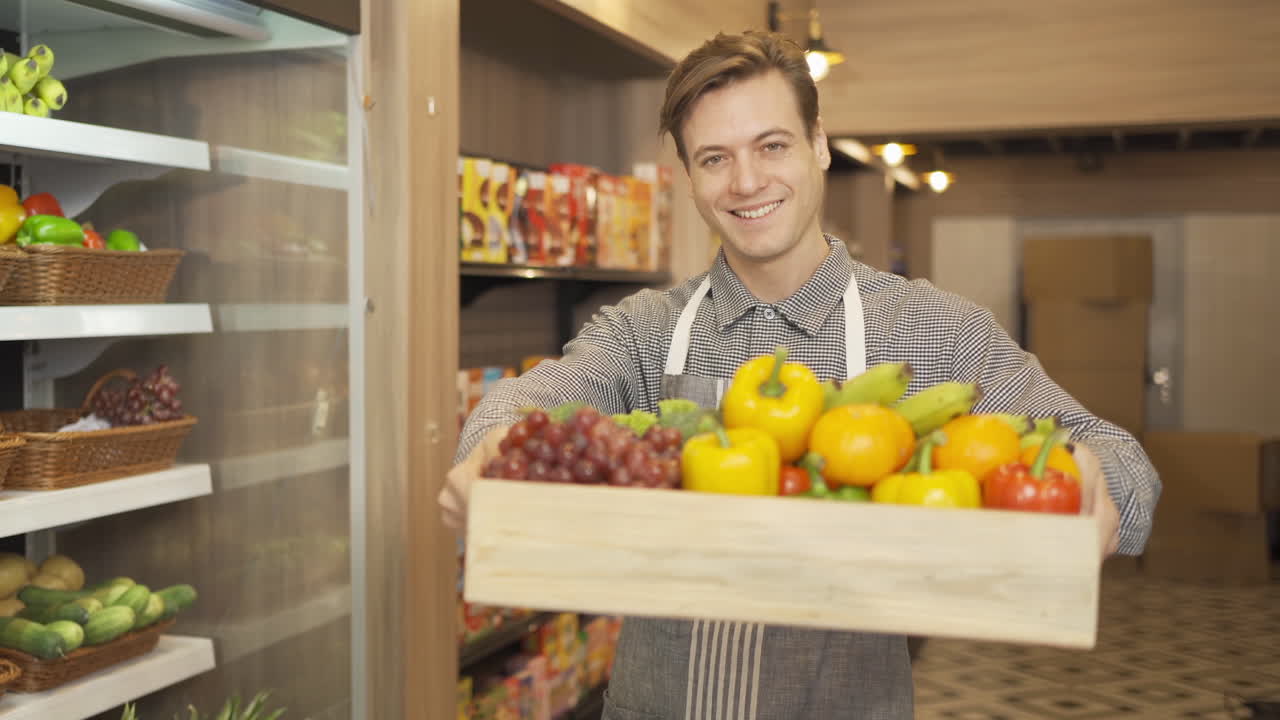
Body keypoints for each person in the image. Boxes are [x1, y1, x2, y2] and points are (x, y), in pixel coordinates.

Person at [440, 29, 1160, 720]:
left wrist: (1091, 482)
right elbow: (531, 403)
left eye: (772, 145)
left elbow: (1122, 462)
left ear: (818, 146)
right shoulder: (644, 330)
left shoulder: (932, 331)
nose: (746, 180)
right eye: (714, 158)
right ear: (689, 180)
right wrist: (490, 450)